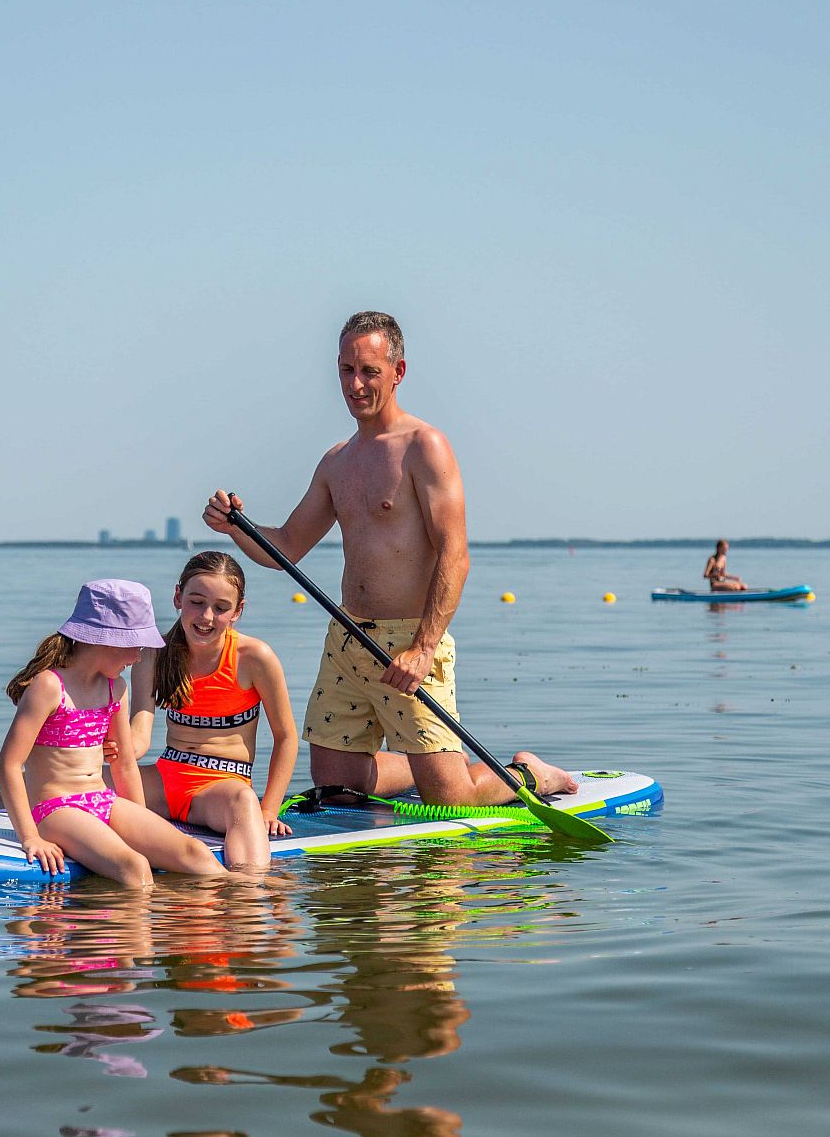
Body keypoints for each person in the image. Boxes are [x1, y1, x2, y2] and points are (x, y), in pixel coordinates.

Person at [204, 310, 577, 807]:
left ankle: (528, 774)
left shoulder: (425, 447)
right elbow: (287, 546)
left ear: (398, 372)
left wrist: (423, 649)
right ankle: (420, 773)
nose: (355, 385)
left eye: (369, 371)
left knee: (451, 799)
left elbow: (455, 555)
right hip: (348, 637)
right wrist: (235, 527)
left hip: (409, 644)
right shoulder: (337, 461)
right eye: (345, 370)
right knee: (337, 789)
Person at [0, 578, 226, 886]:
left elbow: (125, 765)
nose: (138, 658)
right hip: (55, 809)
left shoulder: (114, 687)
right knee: (134, 867)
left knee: (196, 854)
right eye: (135, 647)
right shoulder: (49, 686)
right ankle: (140, 934)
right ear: (107, 639)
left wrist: (143, 826)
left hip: (102, 800)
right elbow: (8, 766)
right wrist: (29, 837)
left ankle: (236, 919)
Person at [126, 551, 297, 870]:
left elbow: (286, 738)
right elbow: (139, 734)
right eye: (196, 601)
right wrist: (95, 754)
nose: (206, 617)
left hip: (220, 790)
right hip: (163, 780)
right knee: (76, 779)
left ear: (237, 611)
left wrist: (269, 810)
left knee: (245, 801)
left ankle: (249, 890)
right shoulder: (153, 655)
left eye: (220, 608)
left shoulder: (255, 657)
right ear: (178, 597)